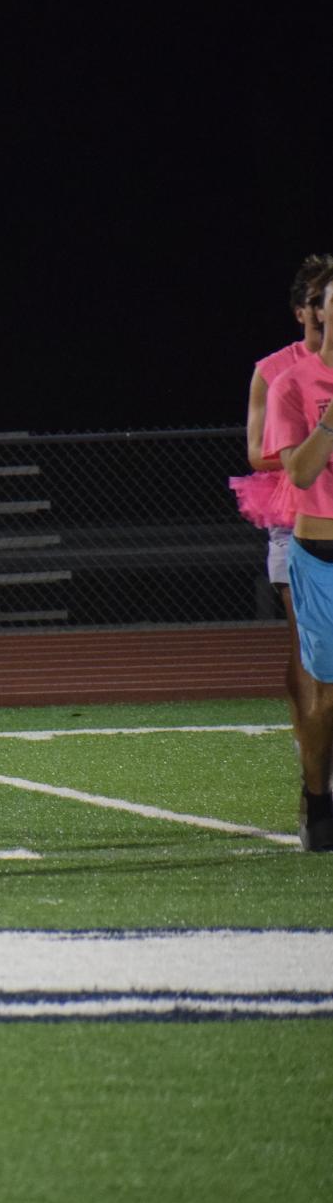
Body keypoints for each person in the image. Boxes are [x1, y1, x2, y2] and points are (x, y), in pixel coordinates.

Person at [234, 253, 333, 739]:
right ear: (301, 311)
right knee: (306, 646)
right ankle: (310, 751)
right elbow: (257, 453)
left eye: (327, 302)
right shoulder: (277, 371)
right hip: (296, 520)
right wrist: (313, 447)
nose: (321, 312)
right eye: (315, 302)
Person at [266, 267, 333, 851]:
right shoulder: (291, 383)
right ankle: (317, 799)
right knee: (326, 691)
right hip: (320, 550)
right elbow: (301, 472)